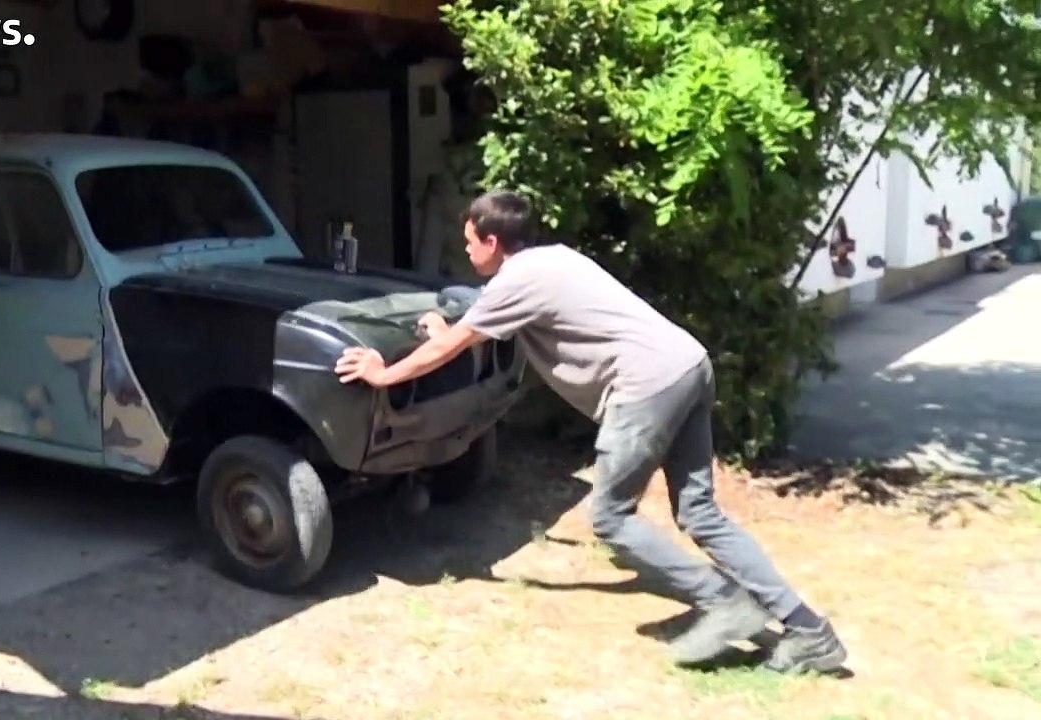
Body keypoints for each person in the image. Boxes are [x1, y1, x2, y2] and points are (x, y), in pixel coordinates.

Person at [334, 189, 848, 673]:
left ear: (492, 242)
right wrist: (451, 332)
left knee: (609, 516)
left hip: (645, 388)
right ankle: (810, 632)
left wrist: (383, 373)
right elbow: (480, 333)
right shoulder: (553, 260)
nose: (465, 250)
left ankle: (726, 603)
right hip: (688, 364)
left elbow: (452, 346)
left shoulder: (515, 282)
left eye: (469, 241)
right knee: (700, 513)